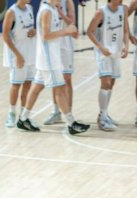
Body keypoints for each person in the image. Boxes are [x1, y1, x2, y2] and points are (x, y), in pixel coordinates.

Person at [17, 0, 89, 135]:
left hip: (50, 56)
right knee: (60, 88)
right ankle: (71, 123)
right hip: (48, 58)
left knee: (36, 88)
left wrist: (69, 32)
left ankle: (23, 118)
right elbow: (45, 36)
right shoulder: (46, 11)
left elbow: (55, 31)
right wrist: (66, 31)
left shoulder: (53, 8)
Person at [87, 0, 130, 131]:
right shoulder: (101, 12)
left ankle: (105, 114)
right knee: (105, 82)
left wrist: (126, 46)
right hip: (103, 52)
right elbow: (90, 31)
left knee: (111, 83)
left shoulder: (124, 9)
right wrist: (101, 47)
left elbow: (126, 29)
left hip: (115, 51)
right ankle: (102, 118)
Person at [2, 0, 37, 128]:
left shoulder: (30, 8)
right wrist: (18, 55)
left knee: (28, 84)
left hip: (30, 52)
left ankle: (24, 116)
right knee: (16, 84)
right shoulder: (11, 12)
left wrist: (35, 31)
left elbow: (31, 28)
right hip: (17, 54)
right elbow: (5, 36)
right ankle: (11, 113)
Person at [44, 0, 76, 125]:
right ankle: (56, 112)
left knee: (67, 78)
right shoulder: (47, 3)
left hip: (66, 42)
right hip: (54, 41)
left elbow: (72, 24)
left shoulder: (68, 2)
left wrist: (60, 12)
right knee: (55, 79)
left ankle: (69, 112)